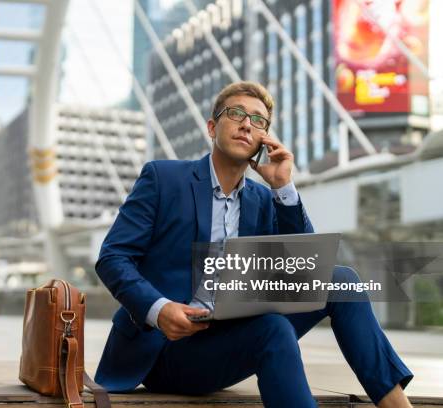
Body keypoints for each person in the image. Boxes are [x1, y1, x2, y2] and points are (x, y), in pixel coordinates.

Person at [94, 81, 413, 407]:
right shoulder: (164, 179)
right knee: (273, 328)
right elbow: (112, 257)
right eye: (236, 113)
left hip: (229, 341)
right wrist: (158, 310)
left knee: (341, 281)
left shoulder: (264, 200)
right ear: (212, 126)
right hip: (163, 348)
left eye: (258, 120)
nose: (247, 123)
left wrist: (283, 188)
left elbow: (306, 273)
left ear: (264, 138)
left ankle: (396, 405)